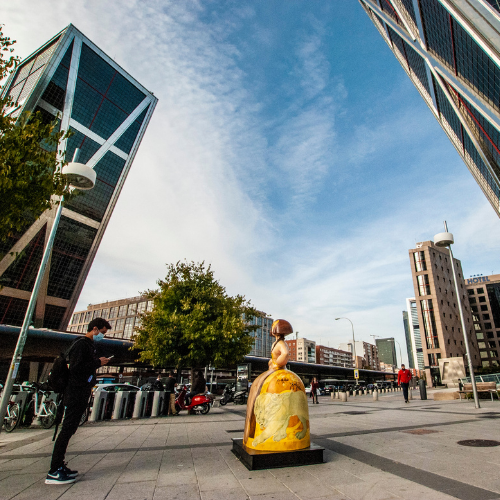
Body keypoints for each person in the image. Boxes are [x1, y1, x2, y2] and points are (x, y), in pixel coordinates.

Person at [45, 318, 111, 485]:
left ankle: (59, 465)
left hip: (78, 391)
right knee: (67, 429)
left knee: (70, 428)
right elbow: (76, 368)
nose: (102, 336)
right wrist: (98, 362)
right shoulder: (82, 344)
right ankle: (54, 471)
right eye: (102, 332)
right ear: (94, 329)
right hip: (75, 392)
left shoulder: (85, 345)